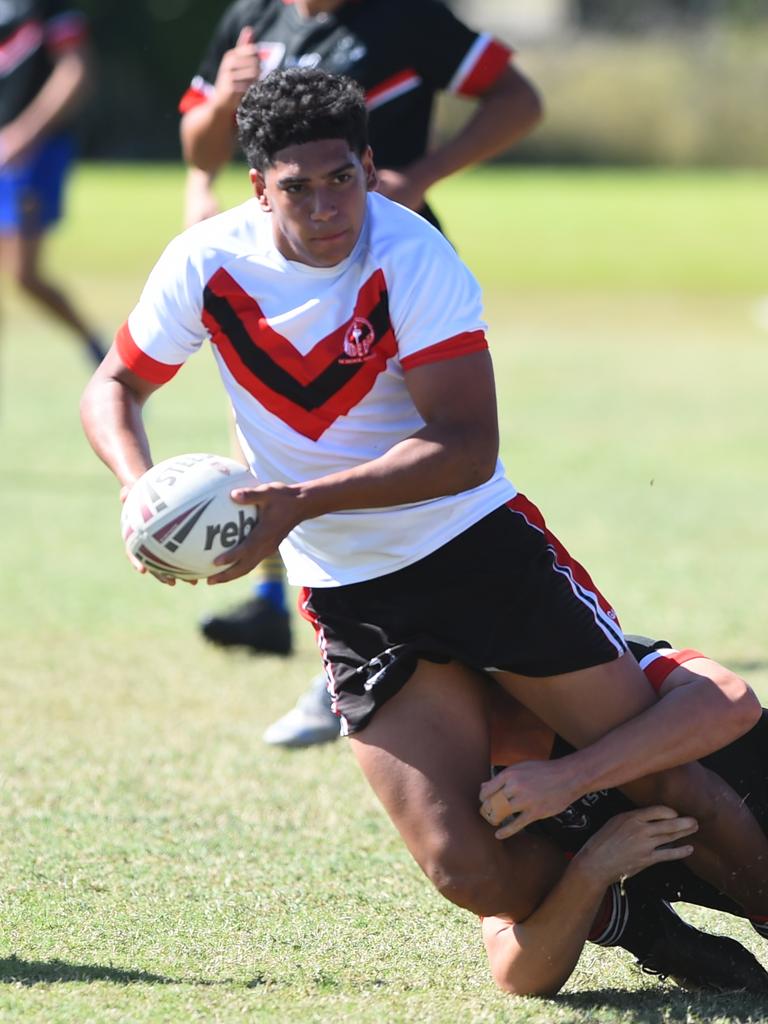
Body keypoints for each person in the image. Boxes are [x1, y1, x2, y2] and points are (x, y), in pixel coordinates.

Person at [79, 69, 768, 993]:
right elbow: (114, 386)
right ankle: (622, 912)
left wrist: (300, 505)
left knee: (663, 775)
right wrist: (138, 493)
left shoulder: (413, 258)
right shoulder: (204, 264)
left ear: (369, 165)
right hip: (356, 595)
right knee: (462, 865)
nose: (326, 206)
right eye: (298, 186)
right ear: (258, 187)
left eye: (342, 179)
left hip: (480, 553)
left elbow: (464, 447)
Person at [178, 0, 543, 748]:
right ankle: (281, 607)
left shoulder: (404, 18)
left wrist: (420, 174)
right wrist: (222, 97)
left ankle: (380, 647)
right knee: (268, 419)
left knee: (393, 443)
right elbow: (196, 147)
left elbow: (519, 99)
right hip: (289, 269)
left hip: (381, 266)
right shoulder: (251, 19)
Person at [478, 635, 768, 995]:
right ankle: (664, 941)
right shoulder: (473, 778)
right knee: (530, 872)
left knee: (677, 776)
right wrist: (592, 870)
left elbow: (731, 698)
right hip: (671, 866)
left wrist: (572, 775)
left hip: (751, 803)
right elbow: (516, 973)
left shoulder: (599, 659)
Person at [0, 1, 105, 366]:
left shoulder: (50, 7)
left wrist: (24, 135)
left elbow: (76, 71)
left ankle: (97, 347)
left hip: (33, 154)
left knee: (24, 275)